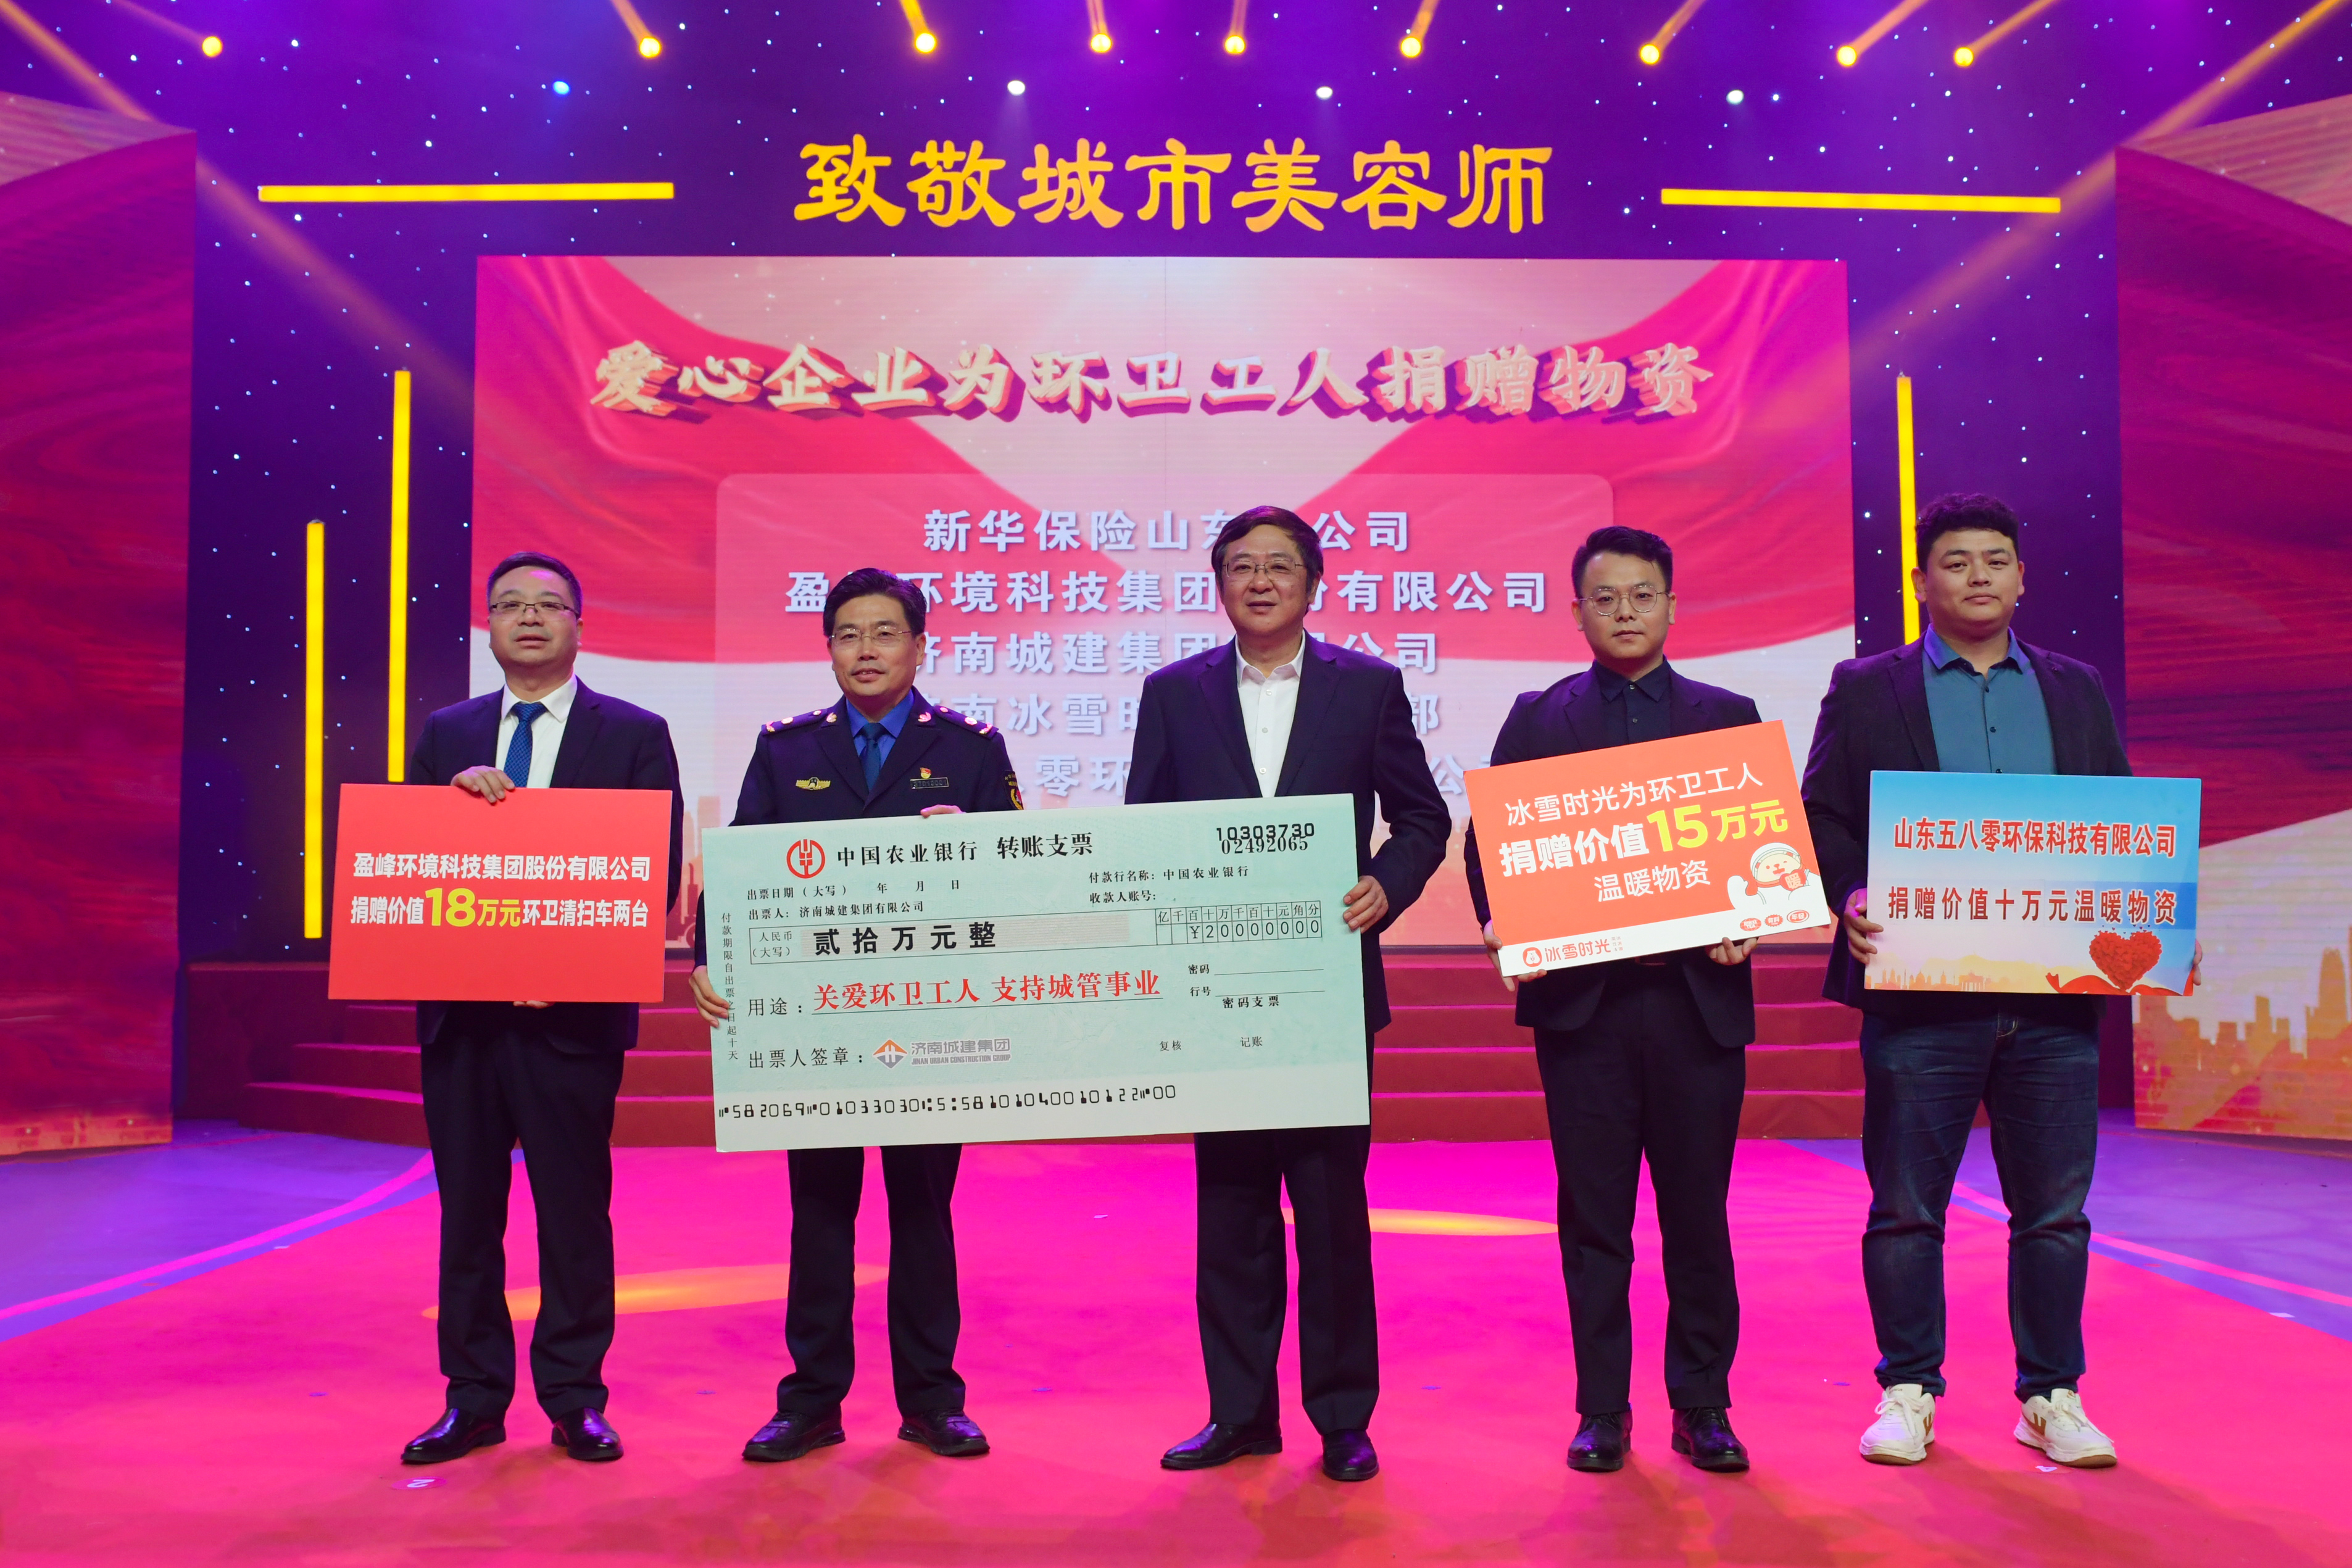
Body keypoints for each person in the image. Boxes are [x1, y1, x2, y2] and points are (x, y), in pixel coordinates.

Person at [1801, 494, 2139, 1470]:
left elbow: (2122, 818)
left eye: (1996, 558)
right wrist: (1850, 890)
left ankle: (2051, 1394)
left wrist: (2162, 921)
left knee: (2055, 1211)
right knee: (1907, 1205)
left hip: (2052, 999)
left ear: (2023, 577)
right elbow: (1822, 812)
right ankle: (1909, 1389)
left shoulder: (2075, 687)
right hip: (1920, 996)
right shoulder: (1867, 687)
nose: (1979, 575)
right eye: (1956, 561)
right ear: (1922, 582)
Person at [1126, 505, 1452, 1483]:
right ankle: (1239, 1412)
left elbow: (1423, 819)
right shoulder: (1173, 694)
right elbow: (1145, 831)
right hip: (1215, 992)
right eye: (1241, 566)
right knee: (1230, 1209)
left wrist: (1386, 884)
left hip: (1326, 989)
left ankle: (1343, 1417)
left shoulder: (1369, 687)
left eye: (1279, 566)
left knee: (1331, 1209)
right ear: (1219, 584)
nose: (1260, 582)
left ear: (1314, 583)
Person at [687, 567, 1020, 1465]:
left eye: (884, 633)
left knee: (924, 1213)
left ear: (920, 645)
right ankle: (811, 1401)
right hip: (817, 1024)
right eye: (847, 634)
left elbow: (1020, 880)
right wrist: (710, 957)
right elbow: (740, 871)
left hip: (933, 1021)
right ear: (828, 647)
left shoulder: (971, 749)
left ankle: (933, 1400)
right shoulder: (787, 749)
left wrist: (977, 851)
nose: (865, 650)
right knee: (821, 1213)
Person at [1463, 526, 1762, 1476]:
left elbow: (1760, 844)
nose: (1625, 612)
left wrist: (1751, 917)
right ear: (1577, 611)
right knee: (1595, 1221)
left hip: (1695, 1006)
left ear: (1672, 605)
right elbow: (1490, 843)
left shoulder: (1727, 717)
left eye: (1642, 595)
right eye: (1606, 597)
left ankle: (1703, 1403)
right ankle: (1602, 1407)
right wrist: (1502, 917)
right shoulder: (1537, 719)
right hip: (1584, 1011)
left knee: (1697, 1215)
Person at [401, 550, 685, 1466]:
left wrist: (567, 965)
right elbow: (408, 861)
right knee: (467, 1217)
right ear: (487, 624)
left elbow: (649, 876)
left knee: (573, 1216)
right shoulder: (447, 733)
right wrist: (451, 806)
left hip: (572, 1023)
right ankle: (474, 1397)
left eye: (549, 604)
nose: (529, 617)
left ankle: (574, 1396)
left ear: (578, 625)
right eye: (510, 605)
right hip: (464, 1021)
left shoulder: (634, 732)